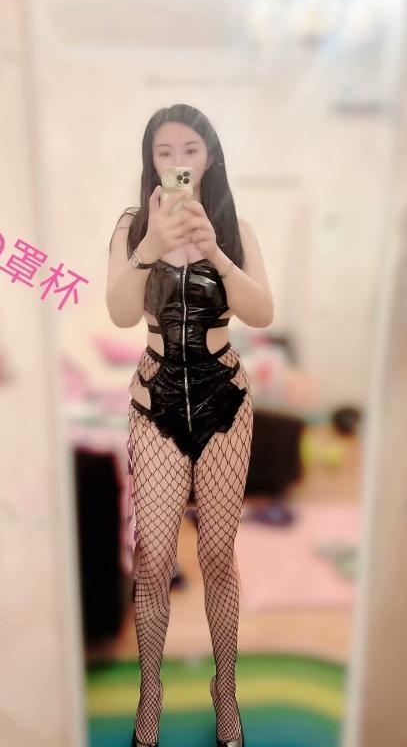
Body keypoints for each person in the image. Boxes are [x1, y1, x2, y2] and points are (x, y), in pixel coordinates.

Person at [106, 104, 273, 747]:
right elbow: (120, 314)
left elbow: (262, 311)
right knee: (152, 557)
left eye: (189, 151)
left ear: (210, 157)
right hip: (154, 403)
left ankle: (224, 692)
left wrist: (217, 255)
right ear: (150, 162)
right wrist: (148, 248)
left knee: (217, 556)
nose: (177, 163)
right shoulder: (130, 227)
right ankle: (150, 696)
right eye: (164, 152)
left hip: (224, 400)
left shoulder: (234, 227)